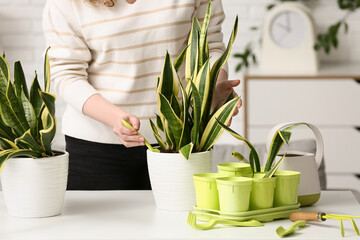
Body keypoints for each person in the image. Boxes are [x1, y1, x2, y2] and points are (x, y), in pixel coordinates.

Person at [42, 0, 242, 190]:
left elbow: (210, 44)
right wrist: (115, 118)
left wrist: (213, 90)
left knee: (180, 225)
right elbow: (66, 74)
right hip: (95, 150)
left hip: (180, 144)